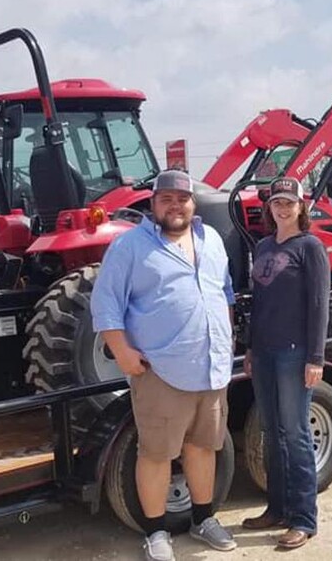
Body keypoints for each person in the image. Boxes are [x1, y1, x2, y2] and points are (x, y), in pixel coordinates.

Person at [90, 169, 237, 561]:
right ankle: (156, 533)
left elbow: (224, 291)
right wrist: (121, 351)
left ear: (193, 203)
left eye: (182, 198)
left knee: (204, 447)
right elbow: (105, 302)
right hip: (160, 370)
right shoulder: (130, 246)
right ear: (153, 204)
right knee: (155, 453)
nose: (175, 205)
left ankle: (203, 519)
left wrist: (226, 336)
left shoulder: (213, 241)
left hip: (211, 367)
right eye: (166, 199)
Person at [240, 176, 330, 549]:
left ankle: (303, 518)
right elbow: (258, 304)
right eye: (277, 202)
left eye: (288, 203)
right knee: (271, 432)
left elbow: (319, 304)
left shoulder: (310, 247)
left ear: (301, 207)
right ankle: (275, 507)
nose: (282, 208)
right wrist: (249, 347)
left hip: (295, 352)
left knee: (295, 434)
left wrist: (316, 357)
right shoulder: (262, 245)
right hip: (263, 351)